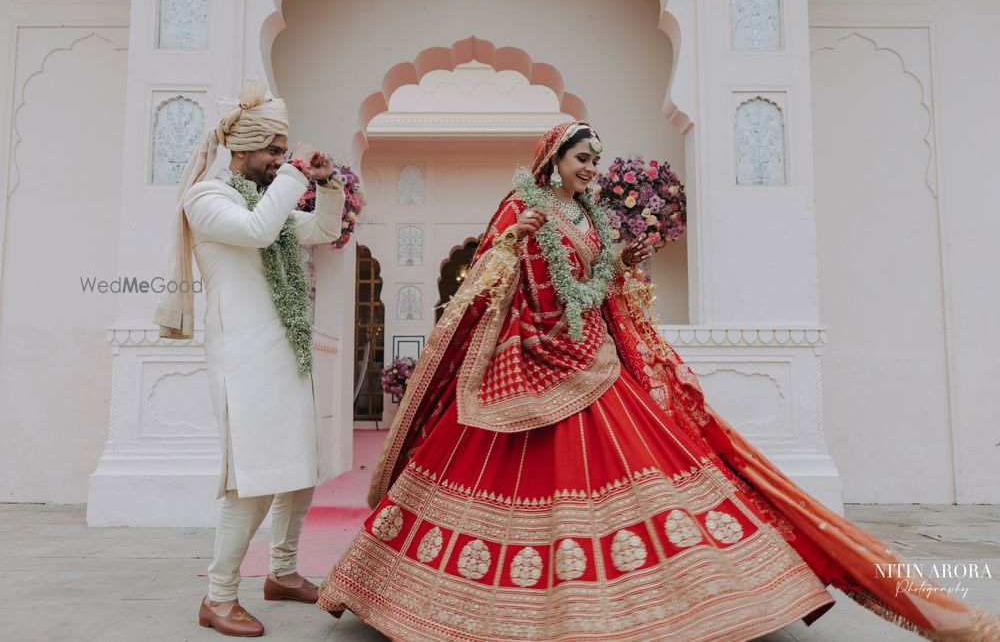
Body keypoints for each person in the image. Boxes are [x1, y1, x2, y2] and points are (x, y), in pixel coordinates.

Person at [315, 121, 998, 641]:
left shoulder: (591, 218)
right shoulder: (523, 208)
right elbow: (492, 281)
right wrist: (512, 242)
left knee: (660, 465)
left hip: (593, 360)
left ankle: (688, 597)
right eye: (583, 159)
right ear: (553, 161)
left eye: (595, 161)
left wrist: (623, 258)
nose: (592, 170)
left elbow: (594, 285)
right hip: (532, 367)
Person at [154, 78, 348, 637]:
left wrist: (328, 182)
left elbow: (324, 227)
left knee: (300, 472)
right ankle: (218, 597)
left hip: (285, 353)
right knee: (254, 479)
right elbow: (261, 232)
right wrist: (294, 175)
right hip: (243, 357)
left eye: (284, 152)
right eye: (273, 151)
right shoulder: (207, 199)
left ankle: (282, 573)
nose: (279, 161)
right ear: (241, 149)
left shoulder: (264, 199)